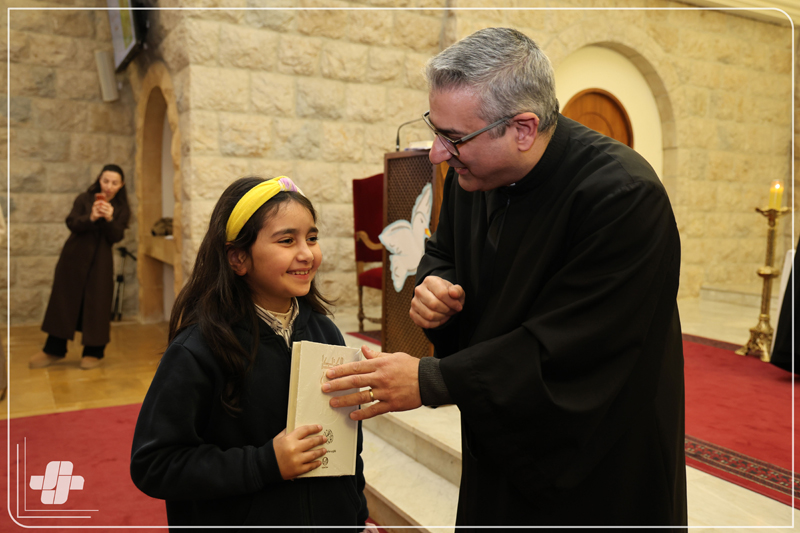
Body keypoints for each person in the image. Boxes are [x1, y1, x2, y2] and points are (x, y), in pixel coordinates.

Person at [323, 28, 687, 527]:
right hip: (502, 436)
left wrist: (431, 380)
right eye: (435, 129)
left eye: (452, 138)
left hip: (593, 460)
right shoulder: (475, 175)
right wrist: (435, 286)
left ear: (522, 129)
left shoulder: (621, 196)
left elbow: (570, 348)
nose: (436, 154)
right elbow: (443, 251)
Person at [130, 176, 371, 531]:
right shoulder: (199, 349)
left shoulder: (326, 333)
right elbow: (154, 464)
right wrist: (264, 464)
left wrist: (356, 516)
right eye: (287, 240)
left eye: (312, 238)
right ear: (238, 258)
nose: (307, 253)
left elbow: (348, 445)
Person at [29, 164, 130, 370]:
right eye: (105, 181)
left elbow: (116, 236)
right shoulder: (84, 199)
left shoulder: (122, 208)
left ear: (121, 185)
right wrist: (91, 217)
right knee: (63, 302)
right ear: (99, 180)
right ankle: (53, 349)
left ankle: (94, 352)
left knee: (98, 303)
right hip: (73, 257)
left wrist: (109, 219)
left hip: (101, 261)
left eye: (114, 183)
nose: (109, 186)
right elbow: (72, 223)